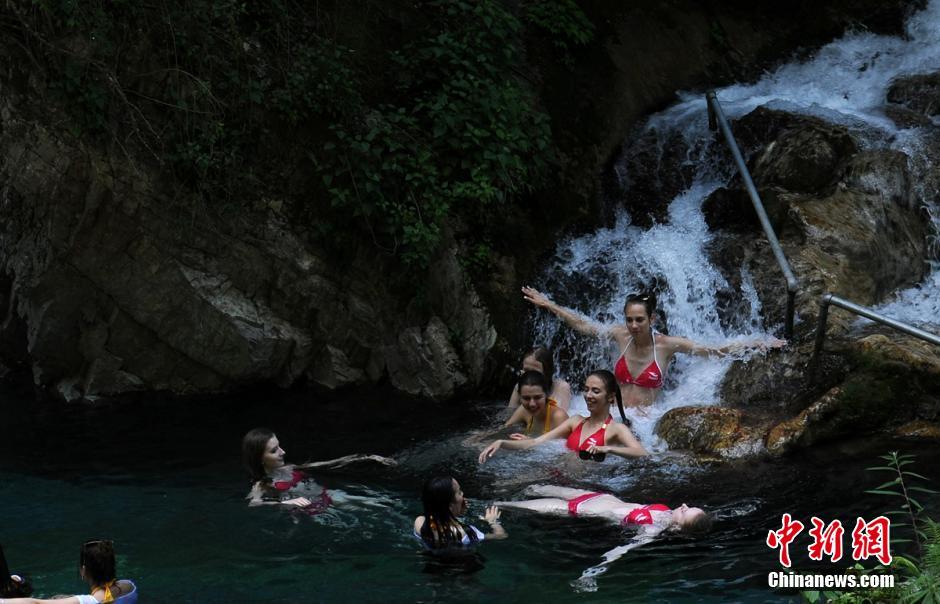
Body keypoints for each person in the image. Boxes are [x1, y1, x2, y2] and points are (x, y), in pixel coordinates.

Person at [521, 287, 786, 408]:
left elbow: (714, 349)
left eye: (639, 320)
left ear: (652, 319)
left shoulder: (667, 346)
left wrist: (757, 343)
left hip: (647, 421)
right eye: (629, 319)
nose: (633, 325)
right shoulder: (620, 335)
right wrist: (549, 304)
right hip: (613, 413)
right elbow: (584, 325)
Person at [495, 484, 713, 591]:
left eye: (685, 512)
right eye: (689, 506)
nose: (683, 505)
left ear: (677, 528)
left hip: (577, 509)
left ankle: (485, 509)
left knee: (506, 504)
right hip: (592, 496)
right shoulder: (665, 512)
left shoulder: (651, 530)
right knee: (533, 487)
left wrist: (592, 573)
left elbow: (620, 551)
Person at [479, 370, 647, 464]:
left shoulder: (616, 429)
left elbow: (642, 453)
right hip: (559, 475)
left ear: (610, 397)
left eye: (595, 391)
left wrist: (608, 449)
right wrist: (502, 443)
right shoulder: (575, 421)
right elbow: (535, 442)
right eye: (586, 389)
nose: (588, 395)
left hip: (588, 487)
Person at [242, 427, 396, 511]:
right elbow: (254, 503)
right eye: (274, 451)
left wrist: (366, 457)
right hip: (313, 511)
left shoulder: (290, 468)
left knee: (386, 504)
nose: (283, 452)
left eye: (279, 446)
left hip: (330, 496)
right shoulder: (261, 484)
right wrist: (285, 502)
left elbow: (330, 463)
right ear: (260, 458)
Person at [2, 539, 137, 604]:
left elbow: (35, 603)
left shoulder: (90, 600)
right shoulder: (129, 585)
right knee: (58, 598)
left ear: (83, 571)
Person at [414, 476, 507, 549]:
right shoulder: (465, 532)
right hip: (463, 564)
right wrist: (493, 522)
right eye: (459, 492)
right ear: (450, 506)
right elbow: (501, 536)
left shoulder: (419, 522)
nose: (462, 494)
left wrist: (456, 512)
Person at [503, 371, 569, 437]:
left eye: (537, 397)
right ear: (520, 397)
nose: (532, 404)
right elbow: (503, 429)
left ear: (547, 395)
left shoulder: (559, 417)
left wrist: (528, 441)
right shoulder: (524, 410)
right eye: (526, 398)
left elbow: (564, 443)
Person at [507, 347, 572, 411]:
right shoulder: (519, 387)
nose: (530, 377)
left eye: (535, 373)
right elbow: (509, 414)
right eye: (526, 371)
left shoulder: (560, 387)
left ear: (547, 374)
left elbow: (558, 416)